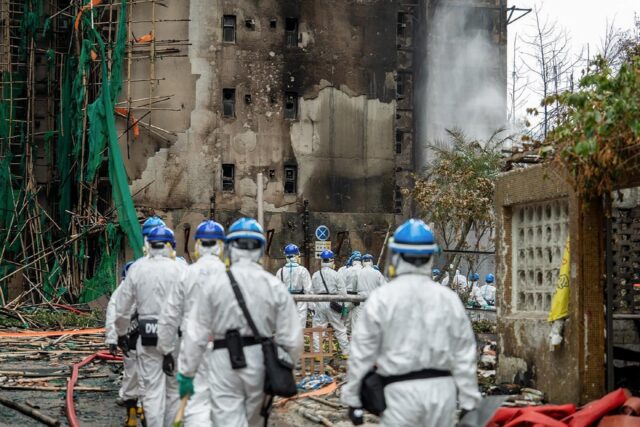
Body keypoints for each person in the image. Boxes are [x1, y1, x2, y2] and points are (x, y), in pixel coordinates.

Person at [342, 219, 481, 426]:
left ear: (396, 256)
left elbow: (362, 353)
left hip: (398, 394)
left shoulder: (382, 298)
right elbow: (464, 354)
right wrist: (469, 400)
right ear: (430, 256)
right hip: (442, 393)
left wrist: (353, 398)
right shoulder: (448, 299)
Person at [176, 217, 302, 426]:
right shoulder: (274, 285)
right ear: (261, 249)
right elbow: (292, 339)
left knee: (227, 419)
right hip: (261, 361)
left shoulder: (215, 283)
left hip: (223, 360)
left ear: (230, 248)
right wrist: (283, 365)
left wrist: (187, 372)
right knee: (255, 420)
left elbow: (195, 332)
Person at [115, 225, 186, 427]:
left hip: (147, 335)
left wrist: (120, 334)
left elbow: (122, 306)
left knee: (152, 389)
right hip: (175, 335)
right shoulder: (181, 268)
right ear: (171, 245)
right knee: (173, 390)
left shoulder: (138, 268)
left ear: (148, 245)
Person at [157, 220, 226, 426]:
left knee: (195, 401)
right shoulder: (230, 274)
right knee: (225, 401)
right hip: (225, 346)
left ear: (197, 245)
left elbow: (170, 315)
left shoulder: (187, 273)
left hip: (192, 344)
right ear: (221, 245)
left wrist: (166, 349)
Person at [106, 261, 142, 426]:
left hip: (130, 337)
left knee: (132, 372)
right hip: (144, 337)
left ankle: (133, 409)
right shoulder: (137, 286)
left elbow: (115, 315)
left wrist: (114, 338)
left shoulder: (125, 289)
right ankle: (139, 406)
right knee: (143, 373)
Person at [310, 250, 350, 356]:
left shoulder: (315, 275)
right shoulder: (336, 275)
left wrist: (313, 306)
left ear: (322, 261)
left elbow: (311, 291)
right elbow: (343, 292)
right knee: (339, 328)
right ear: (332, 260)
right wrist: (344, 306)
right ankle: (346, 352)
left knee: (318, 329)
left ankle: (318, 354)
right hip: (333, 303)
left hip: (319, 302)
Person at [276, 243, 312, 328]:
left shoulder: (280, 271)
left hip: (286, 300)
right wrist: (311, 306)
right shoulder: (302, 270)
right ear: (296, 256)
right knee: (300, 326)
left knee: (286, 325)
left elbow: (277, 290)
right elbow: (308, 289)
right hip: (301, 300)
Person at [351, 254, 385, 326]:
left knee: (358, 320)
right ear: (372, 262)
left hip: (360, 300)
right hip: (374, 300)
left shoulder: (358, 273)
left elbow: (353, 288)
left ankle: (357, 336)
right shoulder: (377, 273)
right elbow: (384, 287)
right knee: (373, 320)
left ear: (363, 262)